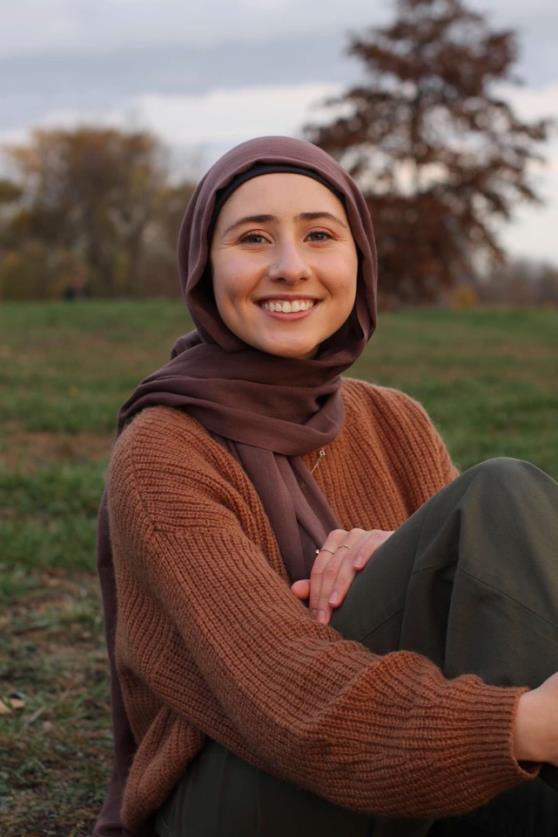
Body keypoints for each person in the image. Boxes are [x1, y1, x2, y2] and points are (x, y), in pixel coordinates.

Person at [94, 136, 558, 837]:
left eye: (319, 234)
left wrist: (402, 550)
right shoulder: (163, 452)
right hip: (236, 789)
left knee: (501, 504)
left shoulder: (395, 419)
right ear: (204, 265)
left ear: (358, 259)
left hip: (397, 768)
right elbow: (284, 699)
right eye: (253, 238)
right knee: (501, 492)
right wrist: (523, 725)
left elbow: (493, 609)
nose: (290, 266)